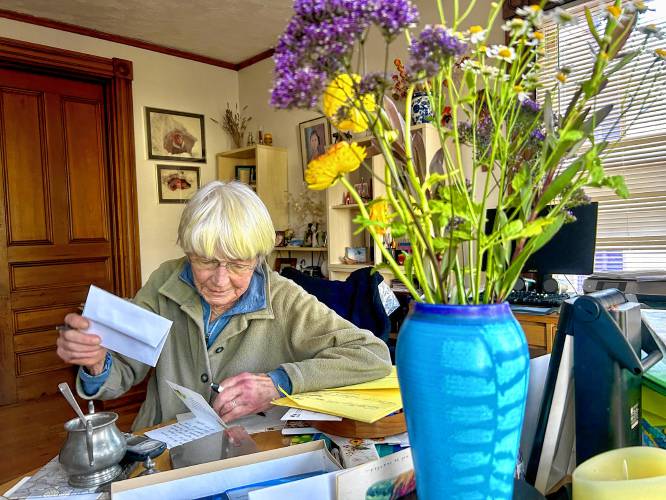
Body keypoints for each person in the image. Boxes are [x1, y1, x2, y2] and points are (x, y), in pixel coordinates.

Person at [56, 181, 391, 431]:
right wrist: (98, 362)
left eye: (237, 265)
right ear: (189, 252)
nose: (219, 279)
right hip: (161, 442)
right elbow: (125, 372)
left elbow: (371, 354)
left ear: (259, 258)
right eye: (204, 261)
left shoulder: (285, 297)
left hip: (247, 448)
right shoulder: (164, 282)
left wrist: (278, 382)